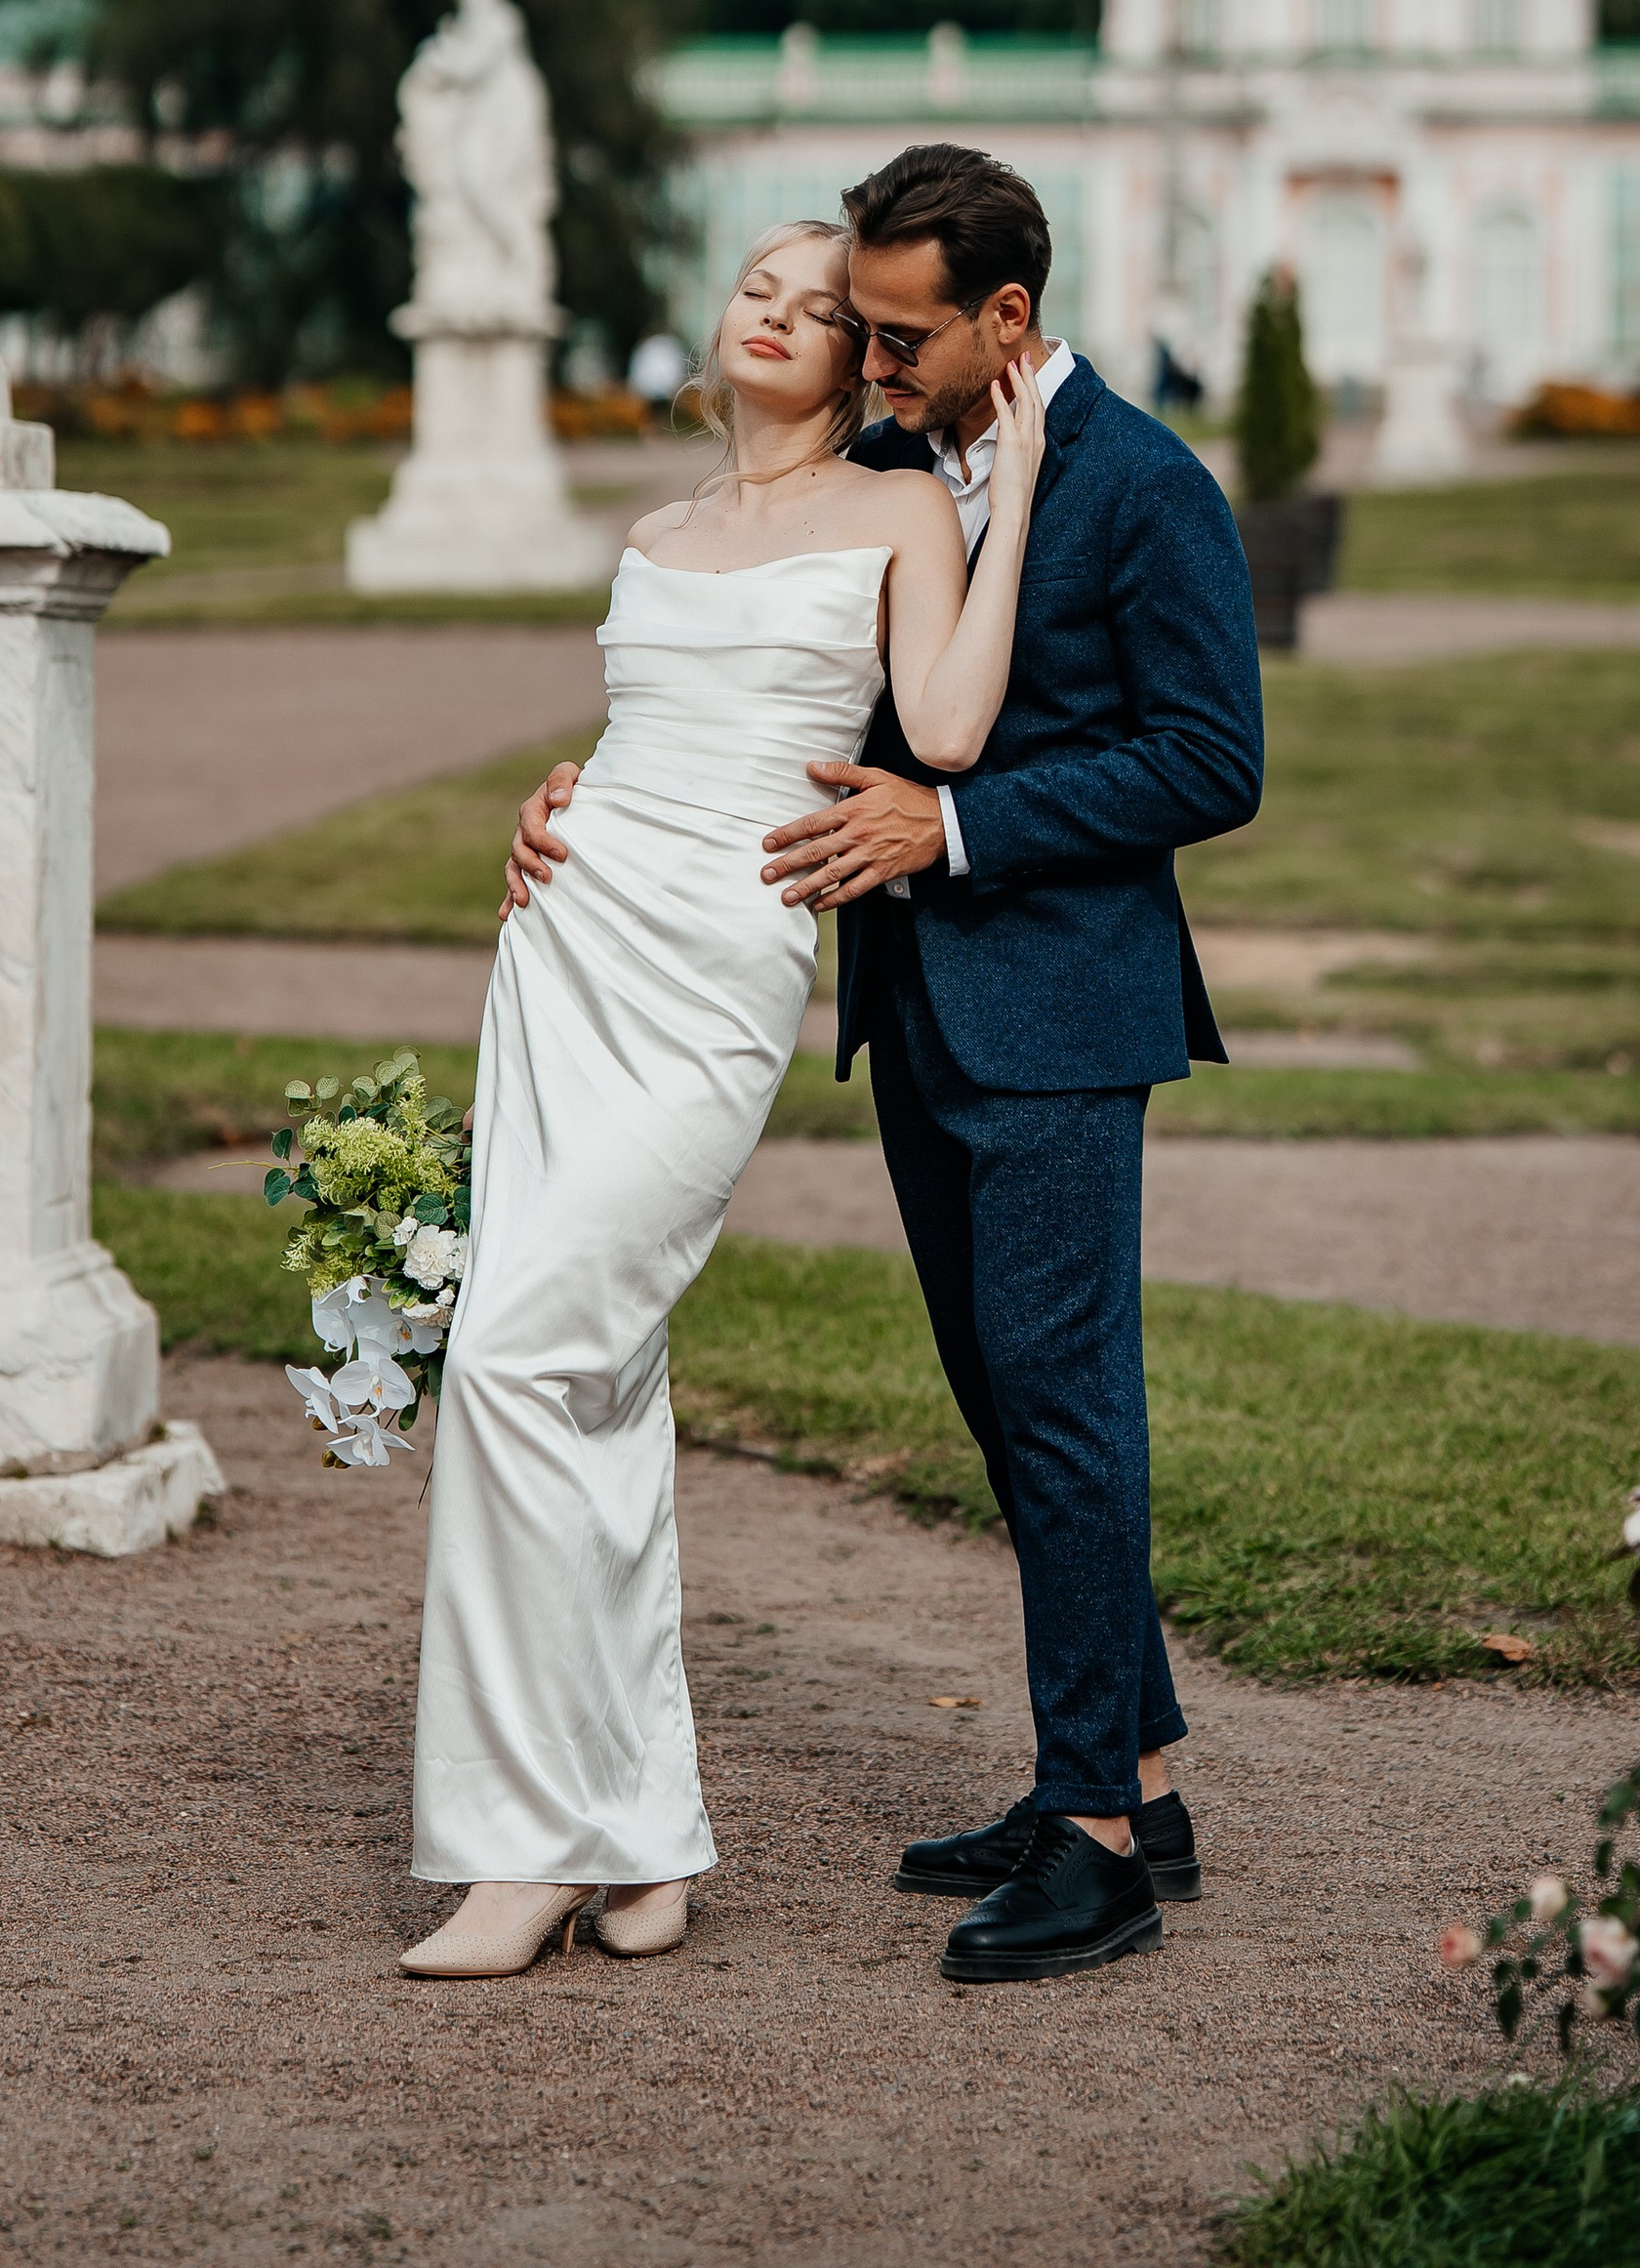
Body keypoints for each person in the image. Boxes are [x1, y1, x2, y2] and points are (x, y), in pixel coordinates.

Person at [516, 145, 1263, 1985]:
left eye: (902, 332)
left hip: (1064, 1013)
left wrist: (963, 829)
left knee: (1069, 1406)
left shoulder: (1148, 488)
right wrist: (579, 797)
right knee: (1010, 1406)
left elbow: (1210, 761)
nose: (868, 358)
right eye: (858, 319)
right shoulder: (885, 475)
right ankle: (1132, 1773)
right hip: (910, 1006)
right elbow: (751, 675)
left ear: (1008, 318)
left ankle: (1094, 1844)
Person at [402, 219, 1045, 1978]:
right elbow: (632, 733)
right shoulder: (658, 532)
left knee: (518, 1353)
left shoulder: (905, 506)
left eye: (822, 308)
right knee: (584, 1380)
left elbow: (957, 727)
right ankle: (634, 1842)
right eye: (758, 288)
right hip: (567, 944)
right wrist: (549, 803)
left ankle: (529, 1845)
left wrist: (1030, 476)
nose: (778, 313)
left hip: (717, 969)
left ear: (864, 361)